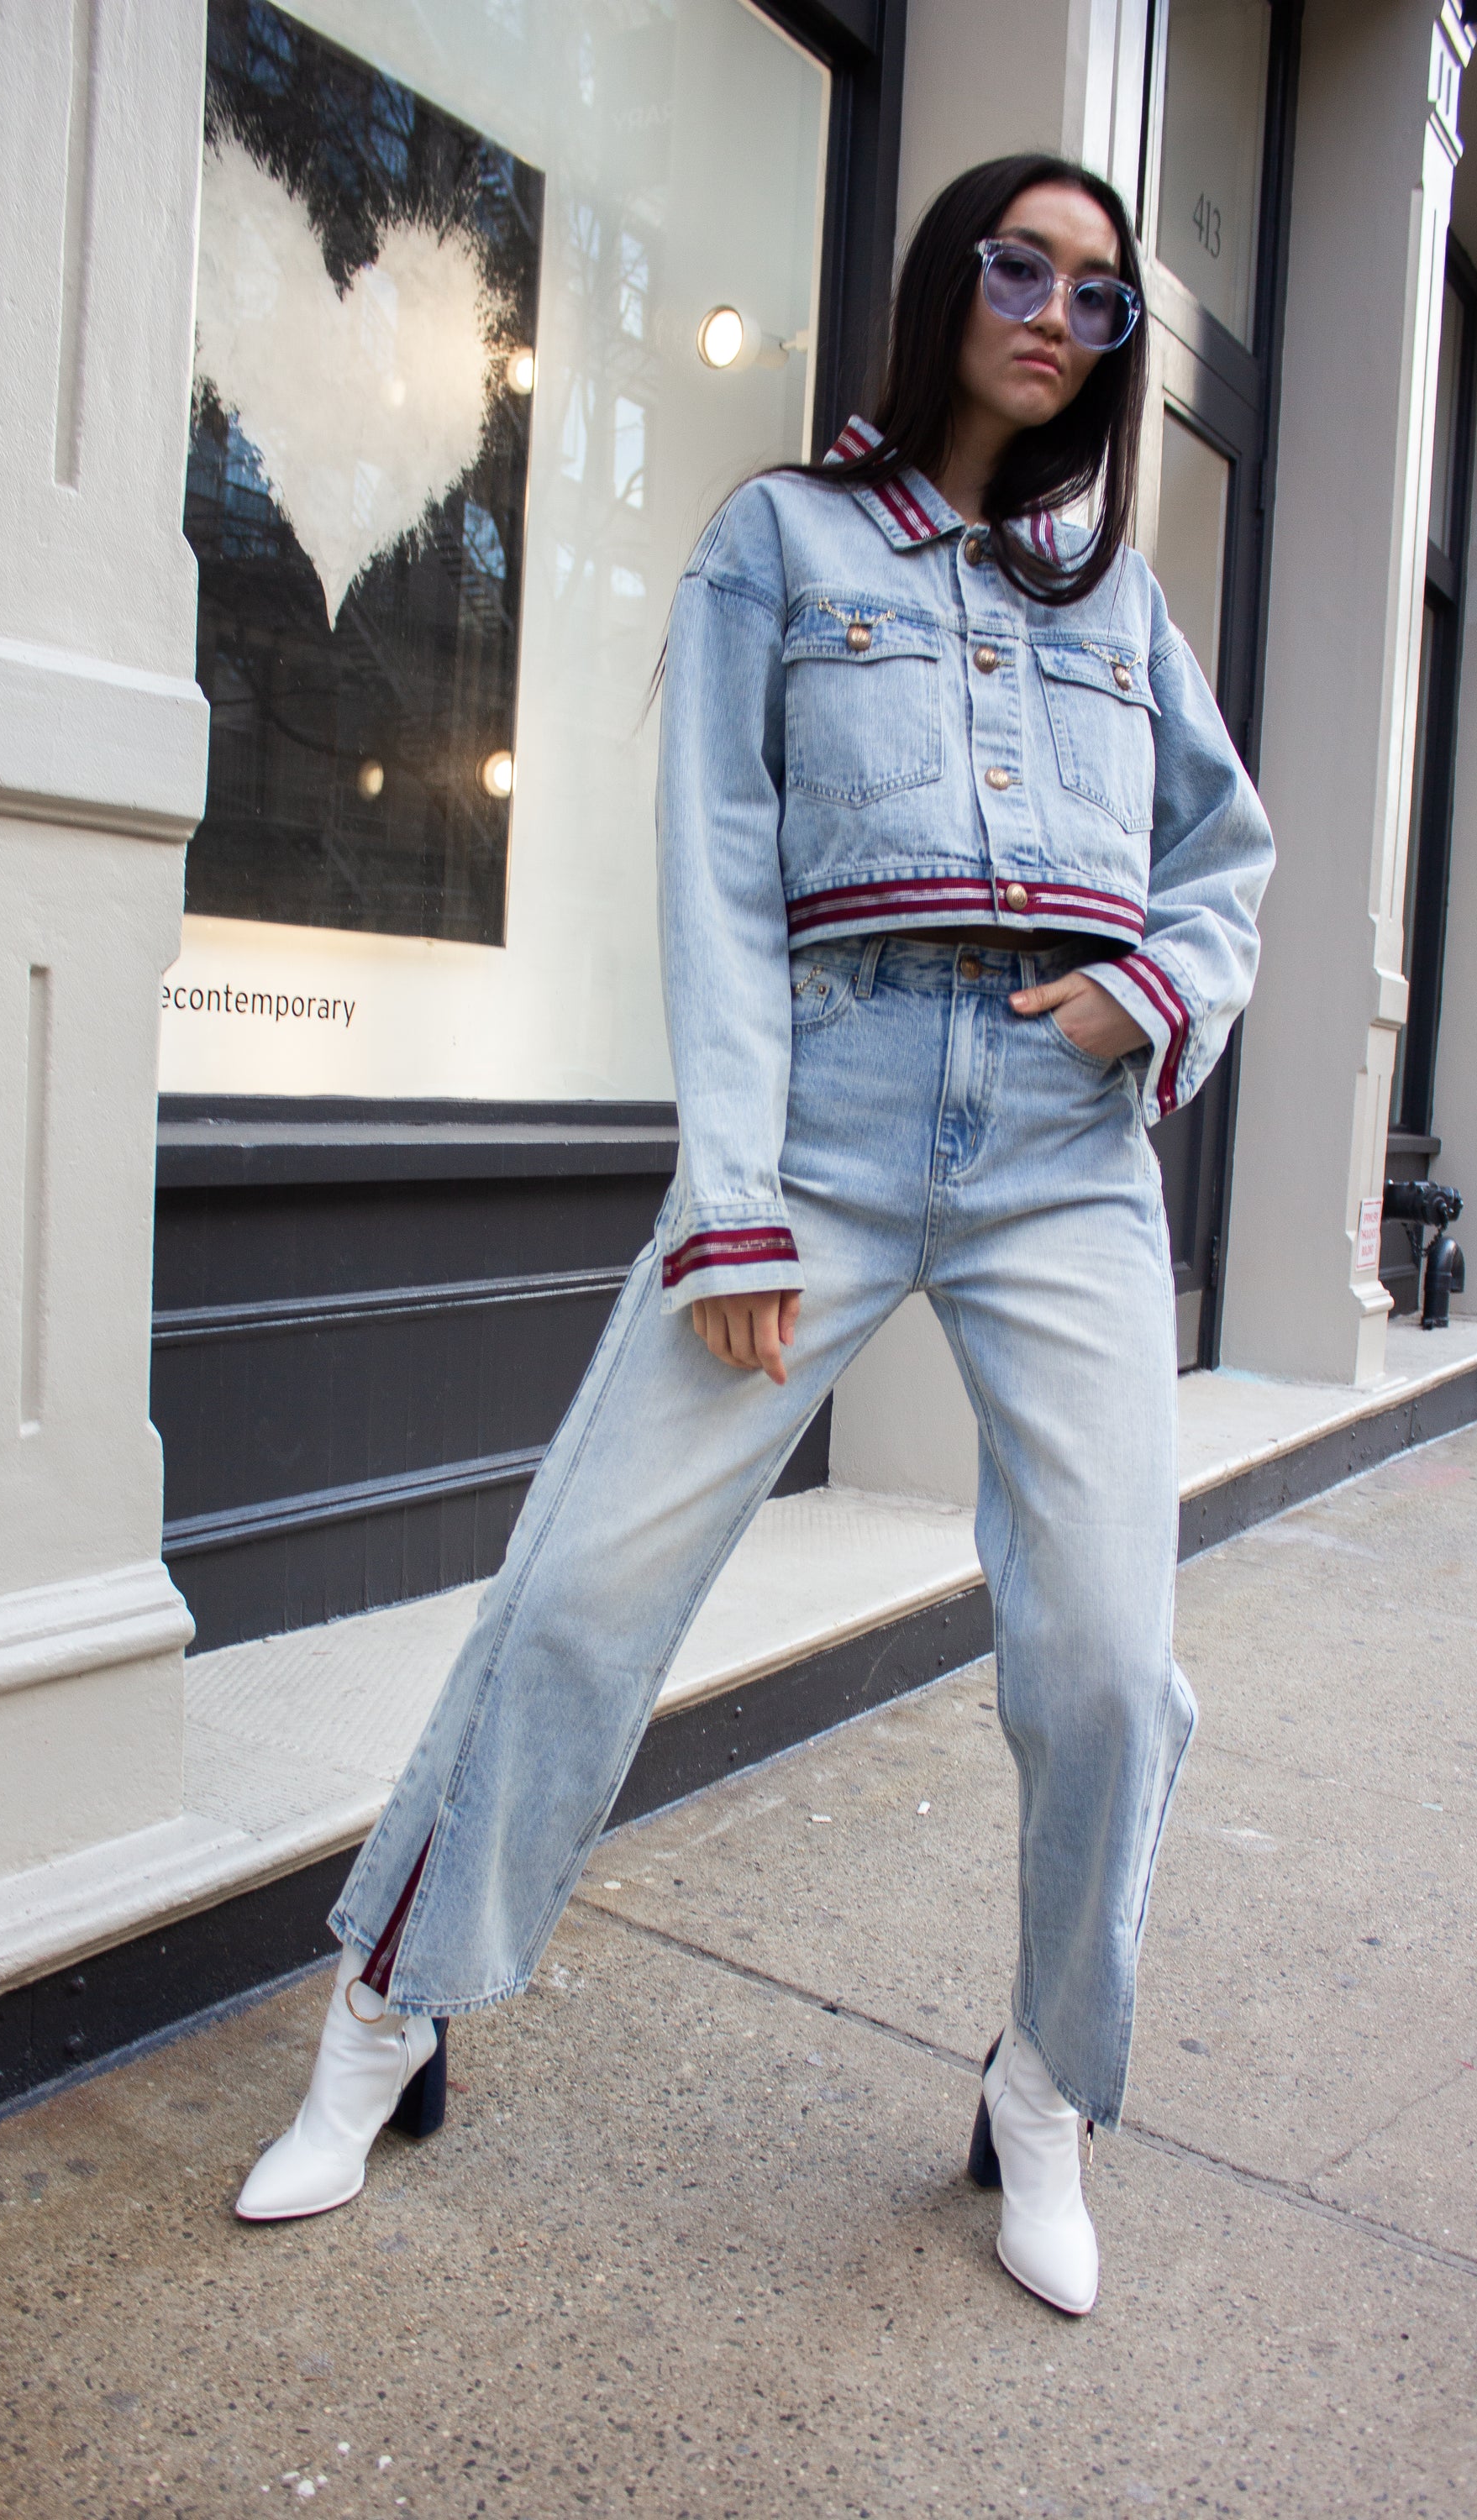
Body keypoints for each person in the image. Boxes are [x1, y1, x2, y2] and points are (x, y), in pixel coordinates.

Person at [233, 152, 1273, 2319]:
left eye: (1096, 295)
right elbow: (718, 878)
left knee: (1105, 1657)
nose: (1055, 315)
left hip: (1069, 1147)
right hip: (830, 1112)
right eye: (1020, 267)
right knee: (589, 1586)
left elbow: (1228, 856)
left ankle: (1046, 2088)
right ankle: (388, 2012)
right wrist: (731, 1204)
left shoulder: (1122, 607)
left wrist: (1157, 988)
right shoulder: (780, 544)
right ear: (948, 283)